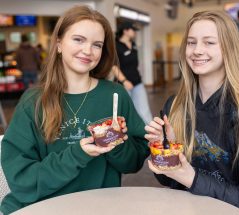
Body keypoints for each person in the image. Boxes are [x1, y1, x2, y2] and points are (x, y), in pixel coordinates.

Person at [145, 10, 239, 214]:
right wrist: (166, 153)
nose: (197, 50)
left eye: (209, 42)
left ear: (229, 49)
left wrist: (191, 177)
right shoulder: (175, 106)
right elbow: (169, 180)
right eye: (191, 42)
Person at [0, 5, 149, 214]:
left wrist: (116, 142)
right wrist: (78, 154)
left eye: (97, 44)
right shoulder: (33, 102)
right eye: (78, 39)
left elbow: (133, 163)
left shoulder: (115, 95)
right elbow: (22, 181)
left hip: (99, 207)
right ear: (59, 44)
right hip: (39, 208)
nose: (88, 51)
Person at [113, 21, 153, 124]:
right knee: (125, 113)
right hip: (123, 84)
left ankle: (151, 134)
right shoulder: (116, 46)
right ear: (125, 31)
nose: (135, 32)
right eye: (133, 30)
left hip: (137, 81)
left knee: (144, 110)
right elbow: (114, 67)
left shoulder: (133, 44)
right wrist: (125, 81)